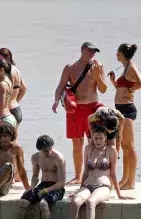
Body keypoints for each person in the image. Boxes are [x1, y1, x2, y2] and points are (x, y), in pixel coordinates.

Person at [52, 41, 108, 184]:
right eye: (89, 50)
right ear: (82, 49)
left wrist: (97, 76)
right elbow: (60, 87)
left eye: (94, 51)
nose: (92, 53)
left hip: (92, 108)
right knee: (77, 144)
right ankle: (78, 176)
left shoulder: (98, 66)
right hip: (75, 110)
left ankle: (93, 174)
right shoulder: (70, 67)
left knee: (94, 143)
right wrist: (57, 101)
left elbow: (103, 89)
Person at [68, 126, 132, 219]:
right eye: (96, 138)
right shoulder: (88, 149)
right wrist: (79, 189)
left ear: (105, 138)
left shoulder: (111, 150)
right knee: (75, 202)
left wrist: (119, 194)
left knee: (90, 202)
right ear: (92, 138)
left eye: (101, 138)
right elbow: (85, 171)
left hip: (103, 187)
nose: (98, 141)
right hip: (87, 185)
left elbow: (113, 174)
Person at [107, 43, 141, 190]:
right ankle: (124, 179)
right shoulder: (125, 68)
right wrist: (113, 82)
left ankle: (131, 181)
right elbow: (121, 88)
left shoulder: (131, 66)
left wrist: (131, 89)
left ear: (122, 53)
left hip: (128, 110)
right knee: (123, 146)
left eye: (117, 52)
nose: (116, 54)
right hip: (120, 109)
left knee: (129, 146)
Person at [20, 135, 66, 219]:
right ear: (39, 150)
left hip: (56, 187)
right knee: (24, 203)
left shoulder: (58, 158)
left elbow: (62, 183)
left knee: (43, 204)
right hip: (43, 184)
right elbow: (35, 176)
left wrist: (46, 190)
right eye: (44, 151)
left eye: (49, 150)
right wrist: (31, 187)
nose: (48, 153)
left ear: (52, 147)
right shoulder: (35, 157)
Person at [0, 48, 26, 127]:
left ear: (8, 58)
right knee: (14, 139)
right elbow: (23, 89)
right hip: (16, 109)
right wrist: (15, 101)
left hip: (9, 113)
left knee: (4, 139)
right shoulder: (16, 70)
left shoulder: (7, 72)